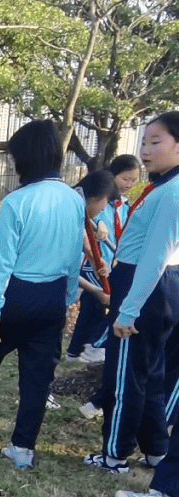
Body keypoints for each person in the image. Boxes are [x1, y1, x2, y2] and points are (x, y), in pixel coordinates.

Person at [0, 120, 84, 468]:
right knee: (38, 380)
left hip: (16, 296)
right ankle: (22, 449)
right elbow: (75, 256)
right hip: (53, 297)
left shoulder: (16, 202)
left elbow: (2, 262)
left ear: (24, 158)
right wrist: (68, 299)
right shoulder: (75, 200)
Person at [89, 111, 179, 476]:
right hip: (155, 285)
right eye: (143, 141)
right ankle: (156, 449)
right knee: (150, 373)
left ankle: (114, 455)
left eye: (155, 142)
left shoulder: (171, 193)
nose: (145, 150)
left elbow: (155, 256)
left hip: (145, 287)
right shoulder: (163, 187)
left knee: (125, 376)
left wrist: (128, 311)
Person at [78, 154, 141, 418]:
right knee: (100, 306)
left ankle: (89, 350)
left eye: (133, 181)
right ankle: (87, 348)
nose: (129, 184)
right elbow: (82, 240)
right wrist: (95, 261)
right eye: (125, 178)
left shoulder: (128, 206)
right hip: (97, 266)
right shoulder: (92, 205)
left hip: (112, 264)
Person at [64, 170, 117, 363]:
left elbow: (86, 243)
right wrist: (96, 290)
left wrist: (96, 261)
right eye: (104, 205)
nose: (104, 209)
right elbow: (63, 269)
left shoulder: (75, 206)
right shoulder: (68, 211)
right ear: (97, 198)